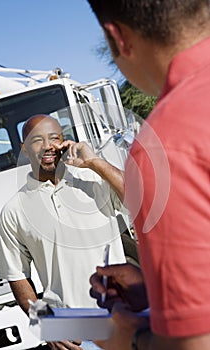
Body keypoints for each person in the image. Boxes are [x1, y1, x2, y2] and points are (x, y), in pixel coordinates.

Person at [87, 1, 210, 349]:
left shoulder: (165, 144)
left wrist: (128, 337)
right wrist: (160, 295)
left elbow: (195, 344)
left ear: (118, 38)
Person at [0, 114, 128, 350]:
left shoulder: (96, 180)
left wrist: (95, 162)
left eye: (54, 138)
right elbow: (17, 276)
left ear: (64, 142)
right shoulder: (14, 211)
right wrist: (45, 326)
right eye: (37, 140)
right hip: (75, 337)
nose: (47, 146)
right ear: (24, 149)